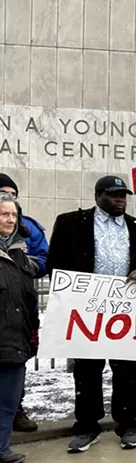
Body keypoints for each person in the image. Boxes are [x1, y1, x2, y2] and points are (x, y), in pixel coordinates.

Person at [47, 176, 136, 453]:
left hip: (125, 311)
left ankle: (127, 425)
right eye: (114, 195)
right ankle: (87, 426)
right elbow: (56, 264)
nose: (120, 200)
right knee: (87, 370)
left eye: (123, 195)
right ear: (98, 195)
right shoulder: (70, 224)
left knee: (126, 370)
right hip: (88, 311)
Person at [0, 173, 47, 433]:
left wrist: (28, 265)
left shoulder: (28, 227)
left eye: (13, 194)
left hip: (21, 306)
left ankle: (15, 411)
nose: (9, 200)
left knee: (16, 362)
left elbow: (44, 258)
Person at [0, 193, 39, 463]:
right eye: (4, 214)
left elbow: (28, 299)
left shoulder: (21, 253)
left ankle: (2, 449)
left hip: (16, 340)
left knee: (7, 403)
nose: (10, 219)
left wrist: (32, 333)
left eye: (14, 215)